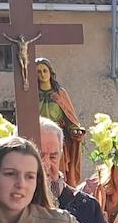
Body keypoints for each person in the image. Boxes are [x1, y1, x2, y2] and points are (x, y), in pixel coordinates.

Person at [35, 58, 86, 187]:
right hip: (37, 138)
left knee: (58, 168)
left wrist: (74, 130)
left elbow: (70, 116)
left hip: (56, 138)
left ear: (50, 73)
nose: (42, 74)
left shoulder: (60, 94)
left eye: (45, 71)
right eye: (38, 71)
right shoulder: (31, 94)